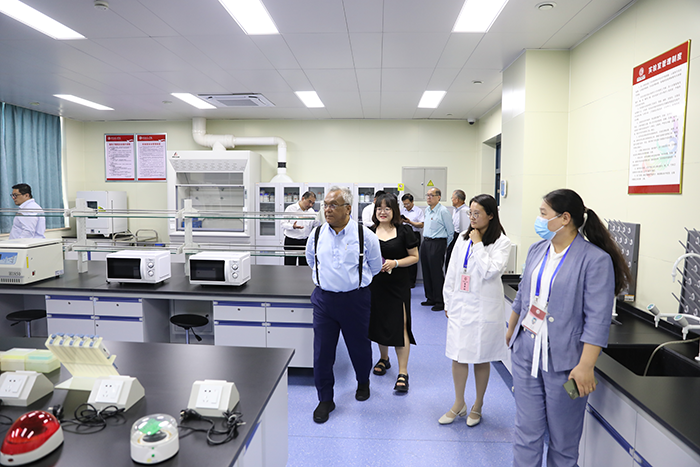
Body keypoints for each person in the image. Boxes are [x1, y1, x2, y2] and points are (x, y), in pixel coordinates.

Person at [506, 189, 631, 467]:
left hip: (568, 366)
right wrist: (512, 328)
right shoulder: (538, 249)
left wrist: (586, 365)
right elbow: (523, 293)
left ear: (564, 218)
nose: (539, 219)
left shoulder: (595, 259)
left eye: (543, 214)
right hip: (526, 356)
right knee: (526, 433)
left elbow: (597, 319)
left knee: (564, 441)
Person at [305, 186, 382, 424]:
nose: (327, 209)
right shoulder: (317, 234)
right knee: (322, 353)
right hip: (324, 301)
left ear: (348, 208)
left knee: (359, 347)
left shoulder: (365, 235)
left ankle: (363, 381)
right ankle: (325, 399)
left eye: (333, 205)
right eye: (325, 205)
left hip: (355, 300)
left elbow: (375, 267)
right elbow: (311, 261)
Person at [439, 194, 511, 427]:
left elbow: (490, 271)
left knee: (481, 357)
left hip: (483, 310)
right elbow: (452, 271)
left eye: (477, 213)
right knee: (458, 355)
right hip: (460, 305)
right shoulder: (463, 238)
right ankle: (458, 402)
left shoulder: (501, 242)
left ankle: (477, 405)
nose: (472, 217)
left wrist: (478, 243)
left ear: (490, 215)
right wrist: (448, 301)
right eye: (470, 213)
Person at [368, 194, 419, 393]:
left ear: (394, 211)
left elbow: (414, 257)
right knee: (380, 322)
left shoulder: (404, 231)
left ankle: (403, 372)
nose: (382, 212)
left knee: (400, 325)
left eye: (387, 208)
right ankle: (384, 358)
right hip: (376, 285)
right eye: (379, 208)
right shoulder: (369, 232)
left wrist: (395, 263)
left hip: (398, 285)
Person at [420, 187, 454, 312]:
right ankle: (430, 298)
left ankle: (440, 301)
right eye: (427, 195)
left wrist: (444, 246)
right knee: (426, 271)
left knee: (436, 273)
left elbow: (451, 232)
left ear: (439, 197)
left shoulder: (443, 211)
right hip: (426, 242)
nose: (428, 197)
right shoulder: (427, 210)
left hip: (438, 243)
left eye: (431, 195)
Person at [281, 191, 316, 266]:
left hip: (305, 242)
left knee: (304, 267)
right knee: (289, 266)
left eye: (313, 203)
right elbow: (283, 224)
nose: (311, 205)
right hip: (291, 241)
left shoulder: (311, 211)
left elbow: (316, 225)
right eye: (309, 202)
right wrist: (292, 226)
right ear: (303, 198)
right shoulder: (291, 208)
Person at [400, 193, 424, 288]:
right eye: (404, 204)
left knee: (413, 258)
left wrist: (410, 222)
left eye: (408, 204)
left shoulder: (418, 211)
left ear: (412, 202)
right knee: (404, 256)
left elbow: (421, 225)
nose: (406, 206)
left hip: (414, 235)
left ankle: (412, 281)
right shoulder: (402, 211)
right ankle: (404, 280)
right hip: (404, 234)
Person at [444, 189, 469, 271]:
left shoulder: (466, 211)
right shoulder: (455, 210)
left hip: (460, 236)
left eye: (452, 198)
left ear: (457, 200)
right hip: (453, 235)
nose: (451, 200)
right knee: (449, 257)